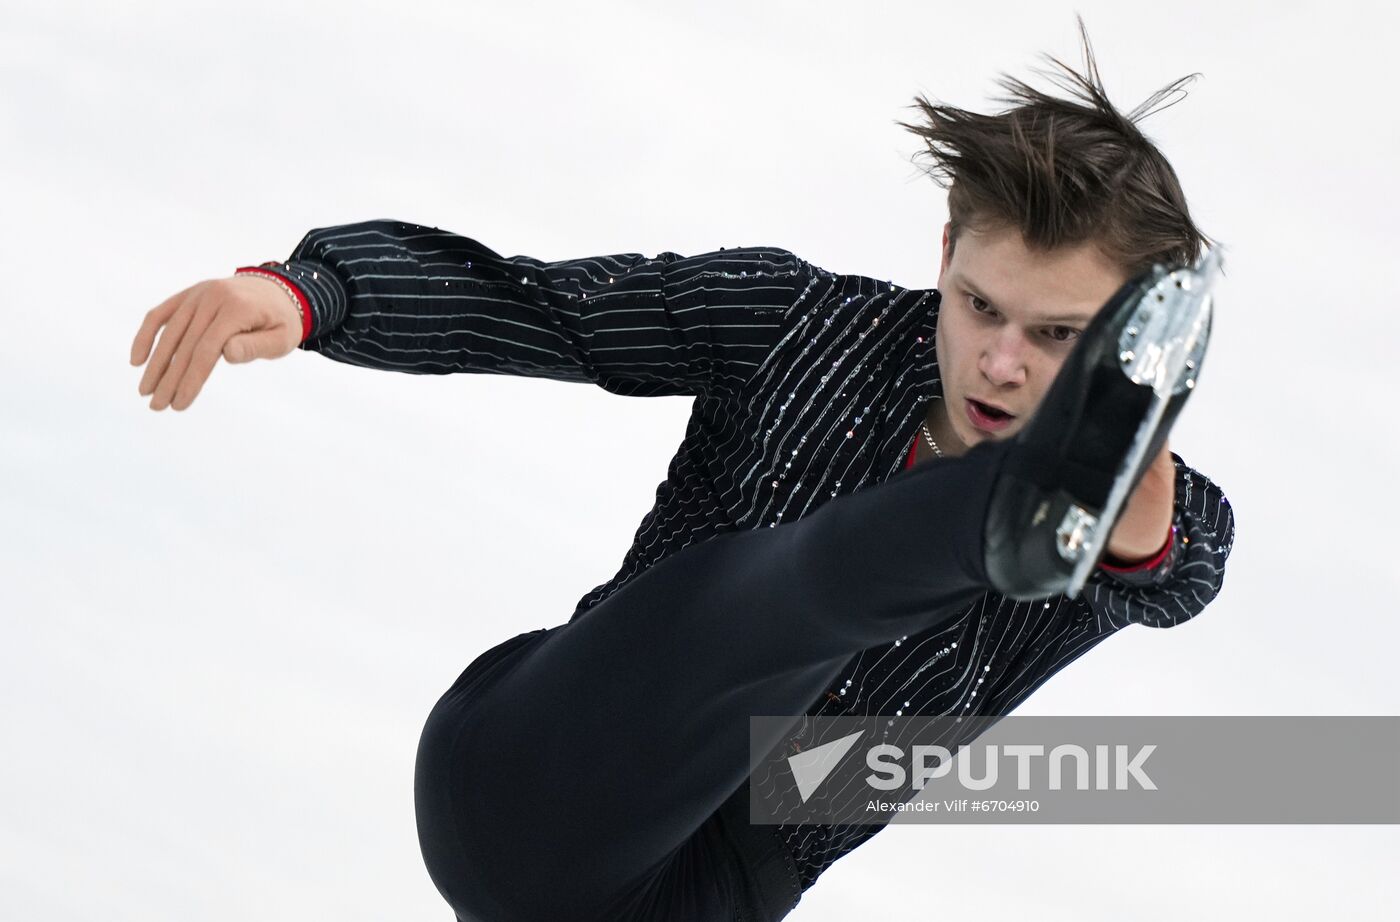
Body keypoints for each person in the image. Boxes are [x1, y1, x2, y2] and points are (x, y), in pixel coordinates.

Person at [128, 19, 1235, 922]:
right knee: (788, 591)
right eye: (980, 307)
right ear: (941, 256)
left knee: (831, 699)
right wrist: (315, 293)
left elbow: (1181, 566)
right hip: (547, 770)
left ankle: (1019, 499)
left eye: (1053, 337)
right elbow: (545, 310)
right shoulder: (796, 322)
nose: (997, 360)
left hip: (717, 890)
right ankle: (992, 510)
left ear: (1117, 348)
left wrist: (1133, 507)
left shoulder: (1143, 506)